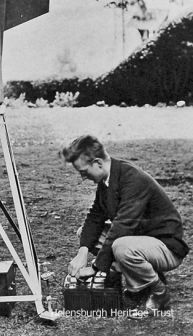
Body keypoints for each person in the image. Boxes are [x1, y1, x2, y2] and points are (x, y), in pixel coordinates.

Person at [61, 135, 189, 315]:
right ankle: (143, 276)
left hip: (166, 247)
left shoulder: (132, 178)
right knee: (86, 234)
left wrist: (96, 267)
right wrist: (82, 251)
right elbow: (95, 217)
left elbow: (122, 227)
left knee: (121, 246)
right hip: (142, 240)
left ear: (97, 163)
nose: (83, 177)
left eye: (83, 171)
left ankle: (159, 292)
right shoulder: (108, 178)